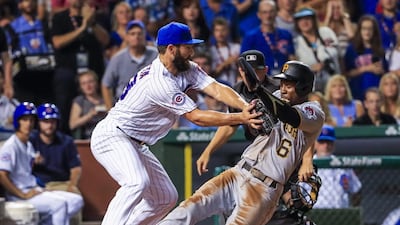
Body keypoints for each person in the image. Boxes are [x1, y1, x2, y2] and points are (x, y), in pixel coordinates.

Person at [90, 21, 263, 225]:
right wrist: (239, 118)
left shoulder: (186, 68)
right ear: (172, 49)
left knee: (165, 198)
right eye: (188, 47)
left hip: (136, 142)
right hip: (113, 136)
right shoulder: (158, 82)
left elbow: (216, 88)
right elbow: (196, 117)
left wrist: (245, 107)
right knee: (136, 183)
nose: (192, 51)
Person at [159, 60, 325, 225]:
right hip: (238, 172)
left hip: (264, 187)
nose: (282, 88)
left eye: (288, 84)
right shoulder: (277, 97)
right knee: (187, 210)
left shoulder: (314, 111)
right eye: (282, 83)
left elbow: (289, 115)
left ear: (303, 87)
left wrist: (258, 90)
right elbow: (259, 124)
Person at [0, 102, 84, 225]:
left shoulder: (28, 144)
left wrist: (41, 188)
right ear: (18, 122)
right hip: (20, 194)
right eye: (24, 120)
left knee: (75, 200)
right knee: (60, 205)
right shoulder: (11, 145)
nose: (28, 124)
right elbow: (2, 175)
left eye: (31, 120)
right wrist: (22, 195)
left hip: (34, 189)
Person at [51, 0, 109, 134]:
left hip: (92, 70)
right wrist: (83, 28)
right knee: (64, 79)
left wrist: (92, 23)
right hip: (68, 69)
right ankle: (63, 136)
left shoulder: (95, 16)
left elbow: (105, 40)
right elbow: (57, 42)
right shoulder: (60, 18)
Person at [30, 103, 83, 225]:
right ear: (39, 123)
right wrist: (32, 161)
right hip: (38, 186)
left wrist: (72, 185)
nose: (49, 125)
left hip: (61, 184)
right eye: (46, 121)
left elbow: (76, 168)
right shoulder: (31, 141)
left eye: (53, 121)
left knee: (76, 199)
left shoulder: (66, 141)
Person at [102, 20, 158, 110]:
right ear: (127, 37)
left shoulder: (156, 55)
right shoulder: (117, 58)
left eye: (139, 33)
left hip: (151, 106)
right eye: (132, 34)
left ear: (145, 36)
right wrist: (109, 111)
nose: (136, 36)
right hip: (125, 106)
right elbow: (106, 84)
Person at [241, 0, 296, 75]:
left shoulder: (286, 34)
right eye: (264, 12)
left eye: (271, 12)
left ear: (276, 13)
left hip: (283, 79)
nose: (268, 16)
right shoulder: (250, 37)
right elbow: (244, 63)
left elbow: (291, 58)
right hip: (261, 80)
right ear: (259, 15)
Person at [293, 7, 341, 92]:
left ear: (314, 20)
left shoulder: (326, 32)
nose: (305, 22)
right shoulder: (296, 42)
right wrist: (311, 68)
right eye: (301, 20)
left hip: (334, 84)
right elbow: (296, 68)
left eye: (308, 18)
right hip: (312, 88)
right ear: (297, 23)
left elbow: (339, 57)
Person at [313, 125, 362, 208]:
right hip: (315, 213)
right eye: (322, 142)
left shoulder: (342, 164)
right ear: (315, 144)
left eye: (329, 142)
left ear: (333, 144)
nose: (325, 146)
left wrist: (353, 211)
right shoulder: (306, 165)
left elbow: (356, 189)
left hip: (340, 213)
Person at [344, 15, 387, 100]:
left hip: (377, 94)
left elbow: (385, 72)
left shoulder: (380, 50)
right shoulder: (351, 49)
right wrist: (367, 68)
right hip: (358, 93)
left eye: (370, 29)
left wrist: (381, 70)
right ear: (359, 30)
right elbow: (347, 73)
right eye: (364, 28)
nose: (367, 32)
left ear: (374, 31)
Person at [70, 70, 107, 139]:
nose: (88, 86)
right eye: (83, 83)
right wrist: (90, 115)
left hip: (107, 135)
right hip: (89, 137)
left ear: (96, 83)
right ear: (80, 87)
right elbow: (72, 124)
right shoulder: (80, 101)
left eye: (90, 82)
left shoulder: (106, 99)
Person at [210, 17, 241, 86]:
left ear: (228, 31)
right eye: (217, 30)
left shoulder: (237, 47)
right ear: (213, 32)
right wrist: (225, 64)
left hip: (235, 85)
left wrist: (238, 63)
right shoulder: (211, 50)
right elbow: (210, 74)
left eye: (223, 30)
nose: (220, 33)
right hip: (218, 86)